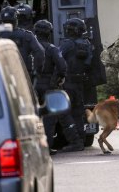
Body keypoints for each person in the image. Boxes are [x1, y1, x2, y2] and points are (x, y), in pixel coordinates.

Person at [33, 19, 83, 153]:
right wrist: (58, 80)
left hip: (31, 85)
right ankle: (49, 146)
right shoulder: (51, 48)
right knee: (53, 116)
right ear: (49, 33)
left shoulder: (28, 48)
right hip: (49, 85)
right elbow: (62, 67)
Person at [59, 18, 93, 151]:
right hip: (80, 83)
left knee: (65, 114)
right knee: (78, 113)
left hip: (67, 82)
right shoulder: (86, 44)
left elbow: (58, 58)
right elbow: (89, 63)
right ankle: (82, 139)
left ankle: (74, 141)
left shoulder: (67, 44)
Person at [0, 6, 45, 84]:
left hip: (1, 75)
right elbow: (40, 53)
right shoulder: (27, 35)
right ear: (16, 20)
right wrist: (37, 71)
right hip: (23, 75)